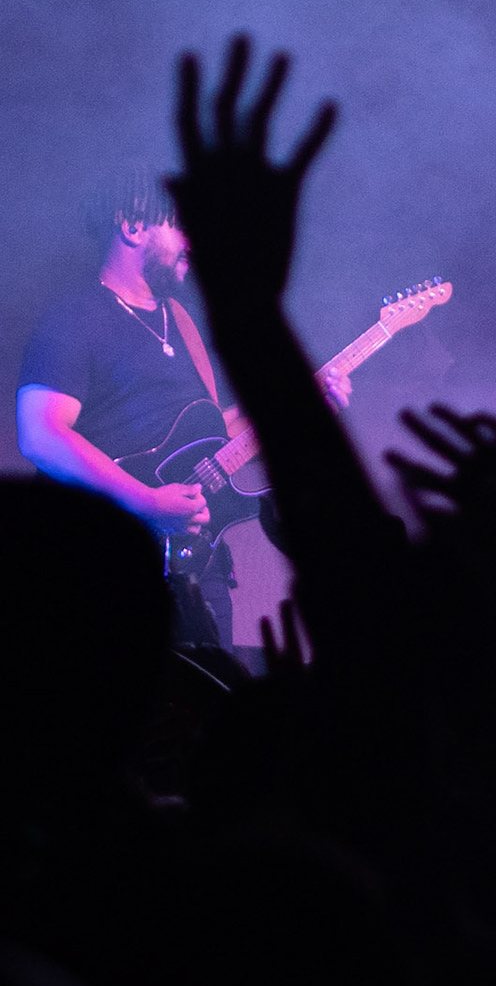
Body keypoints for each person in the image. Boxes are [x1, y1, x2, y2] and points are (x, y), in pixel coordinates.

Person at [14, 169, 348, 643]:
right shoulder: (75, 318)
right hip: (107, 569)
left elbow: (214, 434)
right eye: (179, 225)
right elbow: (41, 434)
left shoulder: (182, 323)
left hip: (197, 568)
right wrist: (147, 501)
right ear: (133, 226)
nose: (193, 240)